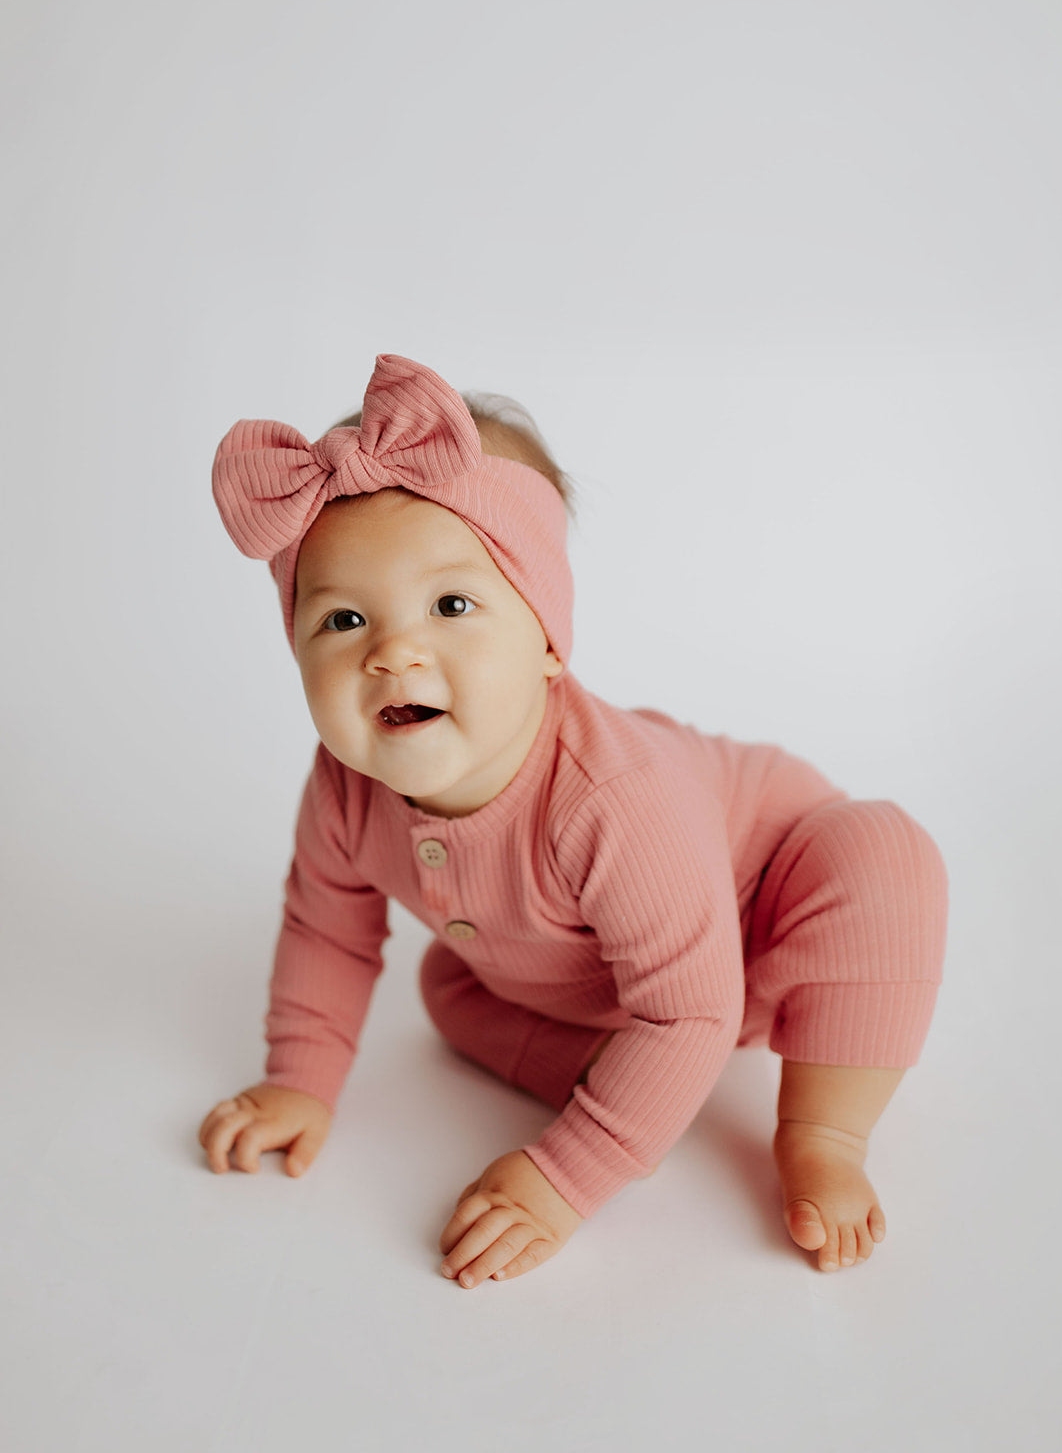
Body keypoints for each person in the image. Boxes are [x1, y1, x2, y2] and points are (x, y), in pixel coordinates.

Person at [198, 353, 948, 1289]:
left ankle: (821, 1133)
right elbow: (327, 930)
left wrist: (564, 1177)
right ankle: (645, 1078)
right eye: (342, 620)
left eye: (451, 604)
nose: (393, 653)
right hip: (607, 976)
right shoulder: (342, 789)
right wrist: (298, 1079)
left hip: (769, 917)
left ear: (547, 641)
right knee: (450, 990)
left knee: (880, 854)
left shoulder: (612, 797)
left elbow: (693, 1002)